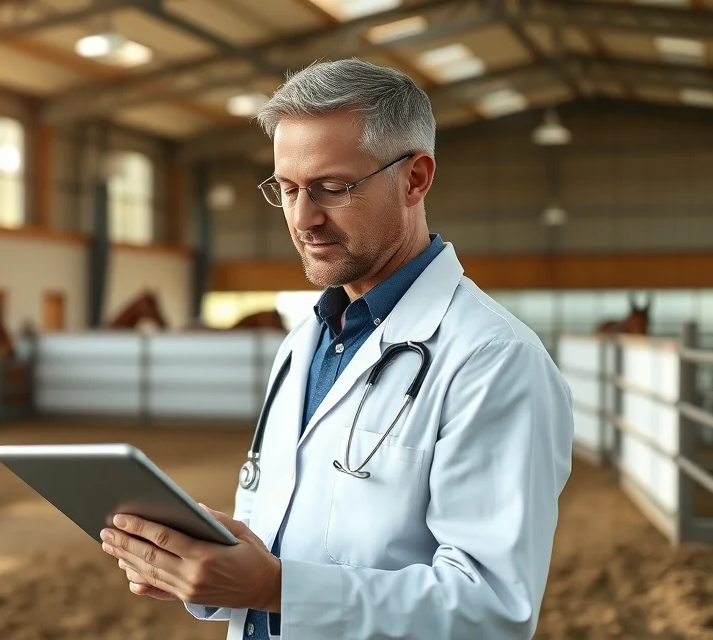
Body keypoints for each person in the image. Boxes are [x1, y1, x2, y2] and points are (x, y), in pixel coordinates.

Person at [98, 58, 574, 639]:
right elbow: (285, 539)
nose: (303, 219)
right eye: (288, 189)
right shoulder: (308, 341)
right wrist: (206, 567)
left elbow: (491, 610)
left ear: (415, 179)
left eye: (331, 188)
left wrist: (273, 587)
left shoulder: (494, 360)